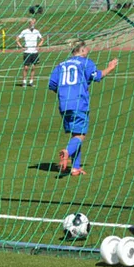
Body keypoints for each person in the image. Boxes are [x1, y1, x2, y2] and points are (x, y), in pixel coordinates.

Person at [49, 40, 118, 176]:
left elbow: (52, 84)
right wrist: (110, 67)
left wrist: (65, 92)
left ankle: (75, 168)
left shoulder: (61, 65)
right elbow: (97, 76)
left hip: (64, 104)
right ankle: (67, 152)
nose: (88, 50)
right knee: (81, 135)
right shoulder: (86, 62)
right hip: (79, 103)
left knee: (76, 134)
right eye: (86, 48)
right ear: (81, 50)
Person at [16, 18, 44, 87]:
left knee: (33, 67)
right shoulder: (24, 31)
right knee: (26, 67)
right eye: (31, 23)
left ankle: (31, 82)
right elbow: (17, 39)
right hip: (27, 52)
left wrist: (39, 46)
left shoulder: (36, 31)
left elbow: (42, 39)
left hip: (34, 52)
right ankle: (24, 82)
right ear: (29, 23)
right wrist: (21, 47)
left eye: (34, 23)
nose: (33, 24)